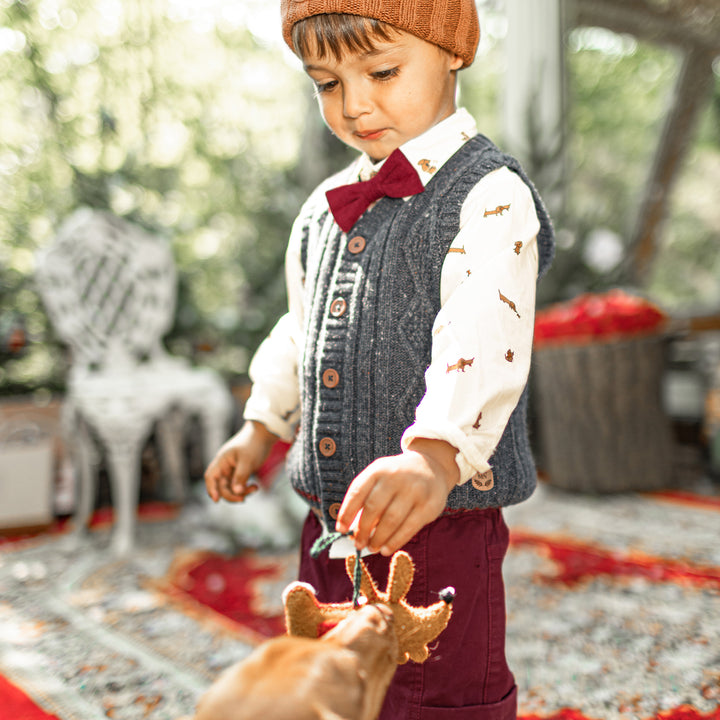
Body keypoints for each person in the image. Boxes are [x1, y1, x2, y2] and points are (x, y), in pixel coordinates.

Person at [205, 1, 555, 717]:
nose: (355, 105)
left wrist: (433, 455)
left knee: (437, 693)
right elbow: (299, 329)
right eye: (327, 84)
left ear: (452, 51)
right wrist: (262, 424)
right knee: (328, 684)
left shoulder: (489, 196)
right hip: (330, 525)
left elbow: (483, 336)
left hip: (439, 523)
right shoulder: (324, 206)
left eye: (383, 71)